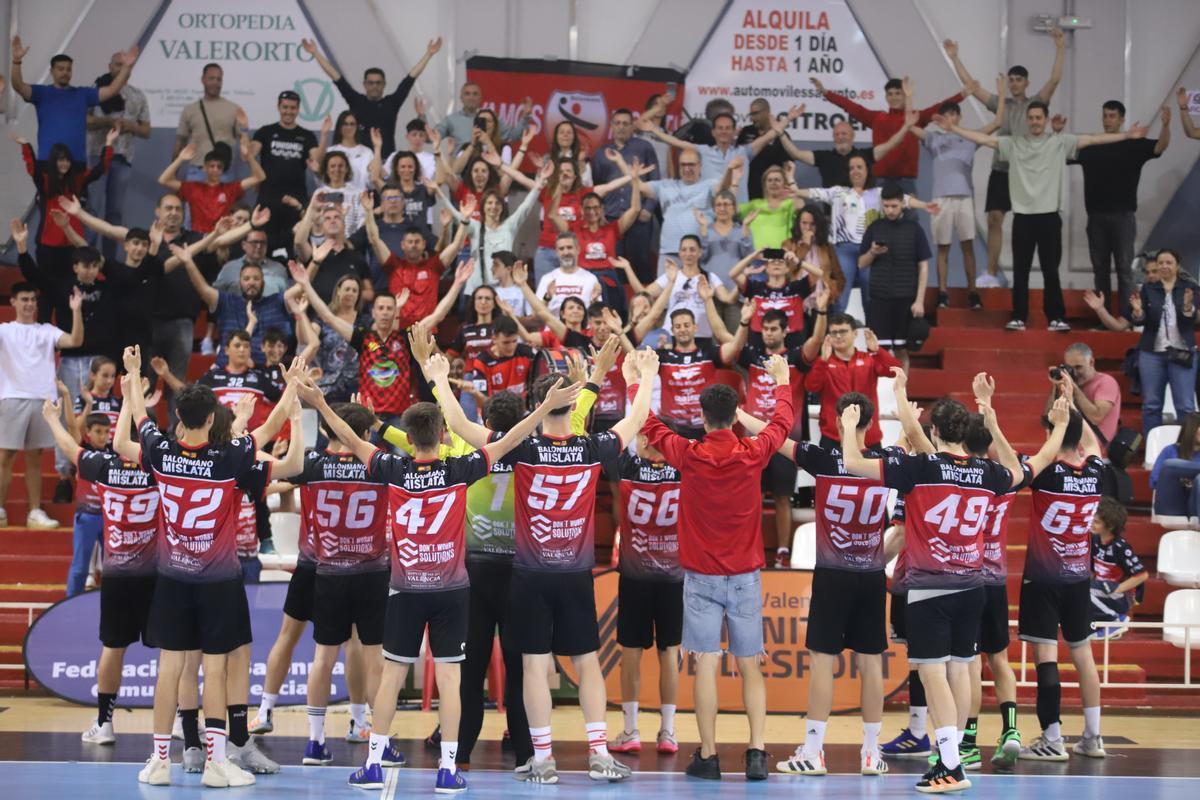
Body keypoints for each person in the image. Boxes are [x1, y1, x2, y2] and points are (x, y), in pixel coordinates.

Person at [310, 354, 580, 791]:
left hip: (405, 588)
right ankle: (449, 769)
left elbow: (350, 437)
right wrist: (544, 407)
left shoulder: (392, 469)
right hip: (453, 591)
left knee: (393, 676)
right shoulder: (459, 469)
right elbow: (511, 439)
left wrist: (321, 404)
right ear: (442, 435)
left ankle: (374, 763)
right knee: (452, 679)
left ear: (409, 437)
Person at [837, 390, 1062, 793]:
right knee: (961, 668)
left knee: (932, 671)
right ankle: (953, 754)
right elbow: (1021, 471)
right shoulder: (986, 471)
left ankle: (951, 766)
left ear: (935, 430)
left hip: (930, 587)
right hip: (973, 586)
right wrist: (995, 423)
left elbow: (853, 463)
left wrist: (848, 427)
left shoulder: (919, 467)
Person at [117, 347, 304, 788]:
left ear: (180, 418)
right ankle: (218, 763)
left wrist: (131, 375)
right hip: (217, 580)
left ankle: (160, 760)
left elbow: (139, 420)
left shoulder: (160, 452)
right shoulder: (229, 456)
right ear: (211, 419)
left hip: (172, 579)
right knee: (215, 668)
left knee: (170, 667)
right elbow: (269, 428)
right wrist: (291, 386)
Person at [629, 352, 793, 781]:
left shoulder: (689, 454)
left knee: (705, 663)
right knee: (751, 663)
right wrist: (783, 380)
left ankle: (709, 754)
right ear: (735, 418)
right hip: (745, 577)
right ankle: (757, 752)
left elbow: (646, 423)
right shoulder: (754, 451)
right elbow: (782, 423)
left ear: (702, 418)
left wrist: (639, 378)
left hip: (700, 577)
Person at [757, 392, 893, 777]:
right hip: (870, 576)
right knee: (871, 665)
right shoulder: (885, 463)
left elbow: (773, 437)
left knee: (821, 662)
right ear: (870, 422)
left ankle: (815, 751)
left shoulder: (823, 459)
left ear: (837, 421)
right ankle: (871, 752)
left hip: (833, 576)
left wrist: (738, 414)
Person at [939, 102, 1149, 331]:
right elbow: (984, 140)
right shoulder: (1014, 143)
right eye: (1031, 118)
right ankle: (1019, 316)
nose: (1035, 121)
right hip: (1023, 216)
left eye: (1039, 117)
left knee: (1051, 271)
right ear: (1027, 121)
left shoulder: (1059, 142)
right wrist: (954, 129)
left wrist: (1127, 135)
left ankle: (1056, 318)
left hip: (1049, 216)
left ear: (1046, 120)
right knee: (1021, 271)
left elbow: (1093, 139)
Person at [42, 387, 156, 744]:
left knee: (112, 647)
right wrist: (135, 398)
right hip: (157, 575)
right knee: (176, 649)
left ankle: (104, 724)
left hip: (118, 574)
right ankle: (188, 724)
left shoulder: (104, 467)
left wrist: (51, 419)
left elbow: (68, 450)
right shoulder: (160, 471)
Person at [1017, 381, 1108, 763]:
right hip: (1077, 576)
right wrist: (1071, 408)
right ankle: (1093, 737)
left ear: (1052, 433)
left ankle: (1052, 737)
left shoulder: (1046, 474)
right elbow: (1095, 446)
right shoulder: (1096, 471)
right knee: (1083, 654)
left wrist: (1060, 419)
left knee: (1045, 655)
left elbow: (1036, 458)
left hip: (1043, 576)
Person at [944, 32, 1065, 285]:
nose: (1014, 83)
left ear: (1027, 82)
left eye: (1018, 80)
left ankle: (1046, 276)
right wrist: (955, 58)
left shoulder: (1036, 102)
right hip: (1001, 168)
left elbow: (1054, 80)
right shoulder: (1001, 103)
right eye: (1011, 80)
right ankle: (990, 273)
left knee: (1032, 224)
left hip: (1027, 171)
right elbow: (973, 87)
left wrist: (1060, 46)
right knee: (994, 218)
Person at [791, 138, 937, 314]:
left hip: (871, 251)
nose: (855, 171)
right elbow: (814, 193)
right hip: (843, 251)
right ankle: (835, 335)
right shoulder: (838, 192)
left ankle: (872, 336)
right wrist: (795, 190)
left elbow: (904, 199)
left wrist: (924, 205)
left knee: (871, 297)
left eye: (859, 167)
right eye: (852, 168)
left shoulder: (878, 194)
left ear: (868, 170)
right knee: (839, 297)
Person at [605, 431, 683, 756]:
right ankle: (668, 732)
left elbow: (610, 443)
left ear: (646, 442)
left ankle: (631, 729)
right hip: (673, 576)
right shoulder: (683, 470)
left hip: (635, 575)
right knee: (670, 653)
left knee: (631, 653)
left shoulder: (628, 467)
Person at [909, 77, 1005, 310]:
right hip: (941, 199)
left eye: (954, 115)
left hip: (964, 198)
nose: (950, 119)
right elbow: (911, 126)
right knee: (943, 248)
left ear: (959, 118)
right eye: (946, 115)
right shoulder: (934, 139)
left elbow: (998, 122)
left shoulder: (969, 138)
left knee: (967, 246)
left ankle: (972, 293)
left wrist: (1001, 95)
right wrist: (909, 97)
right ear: (940, 119)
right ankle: (942, 293)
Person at [1070, 101, 1171, 310]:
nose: (1108, 120)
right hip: (1096, 217)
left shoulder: (1133, 144)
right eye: (1105, 116)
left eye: (1112, 116)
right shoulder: (1092, 145)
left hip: (1123, 216)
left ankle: (1129, 316)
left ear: (1122, 119)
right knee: (1100, 270)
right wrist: (1056, 132)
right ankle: (1104, 317)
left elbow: (1160, 146)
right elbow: (1061, 153)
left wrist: (1166, 125)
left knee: (1125, 268)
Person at [16, 129, 115, 321]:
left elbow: (100, 169)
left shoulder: (77, 182)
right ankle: (43, 331)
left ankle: (68, 331)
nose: (64, 163)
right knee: (46, 291)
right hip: (47, 247)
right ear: (53, 162)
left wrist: (109, 143)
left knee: (72, 290)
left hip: (72, 245)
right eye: (60, 160)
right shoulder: (45, 183)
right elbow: (33, 169)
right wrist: (25, 146)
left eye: (67, 160)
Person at [811, 75, 964, 192]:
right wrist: (826, 93)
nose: (894, 97)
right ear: (886, 97)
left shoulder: (916, 117)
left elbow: (941, 107)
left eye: (898, 93)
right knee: (876, 225)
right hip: (878, 181)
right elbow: (851, 107)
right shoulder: (877, 118)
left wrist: (963, 94)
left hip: (906, 181)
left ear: (905, 96)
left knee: (908, 227)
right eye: (890, 94)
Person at [302, 37, 441, 158]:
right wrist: (315, 53)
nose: (374, 86)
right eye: (371, 83)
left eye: (378, 83)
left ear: (384, 85)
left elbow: (410, 78)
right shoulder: (356, 101)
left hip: (386, 162)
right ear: (364, 84)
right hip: (360, 162)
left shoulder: (392, 103)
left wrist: (429, 55)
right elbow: (335, 76)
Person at [170, 240, 300, 367]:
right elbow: (203, 288)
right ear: (239, 284)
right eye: (246, 279)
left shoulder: (276, 301)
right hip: (226, 369)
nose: (251, 282)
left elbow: (300, 287)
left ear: (263, 283)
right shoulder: (226, 301)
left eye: (256, 278)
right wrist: (188, 263)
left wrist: (314, 264)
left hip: (265, 372)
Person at [9, 36, 138, 162]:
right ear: (51, 71)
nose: (65, 72)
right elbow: (18, 86)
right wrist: (16, 61)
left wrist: (126, 68)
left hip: (76, 163)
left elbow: (112, 90)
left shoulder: (83, 94)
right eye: (60, 69)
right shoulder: (41, 93)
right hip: (48, 162)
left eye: (68, 69)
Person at [641, 106, 802, 202]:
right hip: (710, 212)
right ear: (713, 132)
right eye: (720, 128)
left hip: (739, 213)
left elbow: (770, 135)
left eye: (727, 128)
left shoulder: (744, 152)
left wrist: (789, 118)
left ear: (734, 132)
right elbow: (676, 142)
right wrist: (654, 130)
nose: (724, 132)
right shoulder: (703, 151)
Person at [858, 183, 931, 372]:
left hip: (906, 298)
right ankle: (875, 398)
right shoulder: (875, 227)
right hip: (879, 297)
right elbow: (861, 263)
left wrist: (920, 301)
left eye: (894, 206)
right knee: (875, 350)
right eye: (886, 206)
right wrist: (873, 252)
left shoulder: (915, 229)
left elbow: (923, 265)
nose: (890, 210)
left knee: (901, 350)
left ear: (902, 204)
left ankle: (902, 397)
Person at [85, 51, 150, 261]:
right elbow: (85, 120)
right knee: (92, 209)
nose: (121, 69)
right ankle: (88, 258)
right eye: (117, 65)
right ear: (109, 66)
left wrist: (130, 126)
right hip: (97, 157)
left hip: (123, 159)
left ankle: (110, 262)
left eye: (125, 66)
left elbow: (147, 130)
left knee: (115, 214)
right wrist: (108, 123)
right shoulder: (95, 92)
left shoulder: (137, 95)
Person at [807, 313, 901, 449]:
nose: (838, 336)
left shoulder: (870, 359)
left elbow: (895, 371)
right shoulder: (824, 363)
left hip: (868, 436)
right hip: (834, 437)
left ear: (855, 333)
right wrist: (822, 361)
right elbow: (811, 387)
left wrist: (878, 351)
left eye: (843, 331)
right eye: (834, 332)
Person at [1128, 248, 1197, 433]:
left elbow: (1191, 323)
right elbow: (1142, 320)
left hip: (1181, 351)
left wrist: (1189, 307)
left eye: (1169, 262)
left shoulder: (1189, 287)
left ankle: (1187, 452)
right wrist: (1138, 312)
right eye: (1160, 263)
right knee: (1151, 404)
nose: (1164, 266)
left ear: (1177, 266)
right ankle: (1153, 454)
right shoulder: (1149, 289)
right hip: (1151, 352)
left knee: (1185, 405)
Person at [638, 148, 739, 267]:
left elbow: (722, 188)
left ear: (700, 166)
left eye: (691, 164)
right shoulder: (665, 185)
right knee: (665, 286)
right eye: (683, 165)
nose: (687, 168)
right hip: (670, 252)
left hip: (700, 253)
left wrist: (729, 170)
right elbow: (641, 187)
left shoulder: (709, 184)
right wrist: (627, 170)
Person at [592, 108, 661, 283]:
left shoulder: (644, 147)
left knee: (641, 262)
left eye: (625, 123)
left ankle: (645, 305)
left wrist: (648, 208)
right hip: (611, 218)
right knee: (613, 262)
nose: (621, 127)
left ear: (632, 127)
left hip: (639, 216)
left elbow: (655, 180)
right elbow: (598, 186)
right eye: (617, 123)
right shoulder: (601, 153)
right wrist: (600, 214)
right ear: (612, 126)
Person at [250, 90, 320, 255]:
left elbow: (317, 162)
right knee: (262, 243)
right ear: (278, 107)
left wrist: (324, 137)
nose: (289, 111)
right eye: (285, 107)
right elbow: (249, 155)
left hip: (296, 201)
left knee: (297, 245)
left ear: (298, 109)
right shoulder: (265, 132)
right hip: (268, 199)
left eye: (293, 108)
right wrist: (243, 132)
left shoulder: (307, 136)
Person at [159, 139, 265, 234]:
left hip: (221, 237)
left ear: (222, 170)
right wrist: (180, 159)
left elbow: (260, 177)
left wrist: (250, 157)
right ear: (205, 168)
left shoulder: (231, 188)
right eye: (211, 166)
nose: (215, 169)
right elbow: (163, 180)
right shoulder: (192, 188)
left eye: (219, 167)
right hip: (197, 238)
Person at [781, 117, 915, 189]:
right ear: (833, 138)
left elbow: (891, 144)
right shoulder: (823, 157)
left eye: (844, 133)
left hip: (861, 215)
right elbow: (796, 153)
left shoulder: (866, 155)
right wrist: (780, 133)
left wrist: (906, 127)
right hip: (832, 217)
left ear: (852, 135)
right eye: (837, 134)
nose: (840, 137)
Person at [1089, 498, 1147, 638]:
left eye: (1096, 522)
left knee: (1083, 590)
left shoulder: (1120, 547)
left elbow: (1142, 575)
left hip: (1120, 596)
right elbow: (1092, 571)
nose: (1091, 523)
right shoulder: (1094, 540)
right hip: (1100, 590)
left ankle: (1114, 620)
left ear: (1109, 526)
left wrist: (1116, 589)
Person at [173, 63, 243, 179]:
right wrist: (173, 172)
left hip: (223, 173)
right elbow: (180, 142)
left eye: (219, 79)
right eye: (211, 78)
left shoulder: (234, 109)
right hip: (197, 171)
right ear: (203, 80)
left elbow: (244, 139)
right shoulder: (190, 110)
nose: (215, 82)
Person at [1044, 343, 1122, 444]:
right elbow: (1048, 418)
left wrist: (1074, 388)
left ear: (1091, 362)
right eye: (1070, 368)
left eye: (1079, 367)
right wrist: (1056, 386)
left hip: (1098, 455)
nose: (1075, 372)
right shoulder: (1068, 384)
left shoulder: (1106, 382)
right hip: (1072, 455)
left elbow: (1096, 417)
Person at [434, 81, 533, 150]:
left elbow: (512, 136)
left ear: (481, 98)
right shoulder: (451, 120)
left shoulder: (490, 118)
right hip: (460, 176)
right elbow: (432, 138)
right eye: (467, 94)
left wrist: (525, 117)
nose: (471, 97)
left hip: (485, 174)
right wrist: (422, 117)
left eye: (475, 94)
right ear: (461, 97)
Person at [533, 232, 603, 315]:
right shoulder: (547, 279)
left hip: (583, 327)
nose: (566, 252)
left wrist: (595, 301)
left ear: (578, 250)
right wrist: (547, 298)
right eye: (561, 249)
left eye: (569, 248)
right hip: (554, 326)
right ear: (557, 252)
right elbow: (536, 314)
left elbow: (598, 313)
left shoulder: (590, 278)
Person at [212, 227, 289, 298]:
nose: (259, 246)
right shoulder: (229, 269)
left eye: (263, 242)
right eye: (254, 242)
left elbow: (287, 299)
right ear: (243, 245)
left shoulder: (279, 269)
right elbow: (216, 297)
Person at [1150, 412, 1200, 520]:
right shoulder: (1170, 450)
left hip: (1195, 506)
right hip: (1171, 504)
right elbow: (1154, 481)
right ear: (1191, 429)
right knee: (1169, 466)